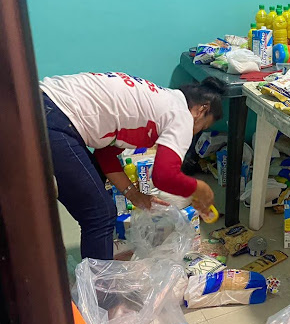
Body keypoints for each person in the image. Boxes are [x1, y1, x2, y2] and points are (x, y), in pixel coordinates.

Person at [41, 71, 222, 260]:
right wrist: (200, 188)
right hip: (56, 118)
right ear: (202, 109)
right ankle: (99, 279)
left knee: (95, 186)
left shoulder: (158, 103)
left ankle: (95, 263)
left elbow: (105, 156)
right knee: (101, 213)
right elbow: (164, 176)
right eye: (202, 126)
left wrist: (135, 195)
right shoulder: (181, 114)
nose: (194, 133)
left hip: (42, 104)